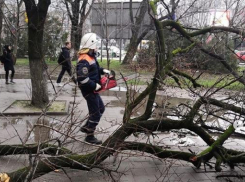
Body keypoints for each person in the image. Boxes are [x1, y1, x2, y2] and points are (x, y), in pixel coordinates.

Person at [76, 33, 111, 144]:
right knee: (95, 112)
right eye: (95, 45)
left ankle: (87, 127)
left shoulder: (91, 57)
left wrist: (103, 70)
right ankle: (89, 136)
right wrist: (94, 85)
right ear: (90, 46)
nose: (97, 48)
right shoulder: (84, 60)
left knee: (101, 109)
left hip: (93, 89)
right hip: (89, 90)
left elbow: (94, 69)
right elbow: (82, 78)